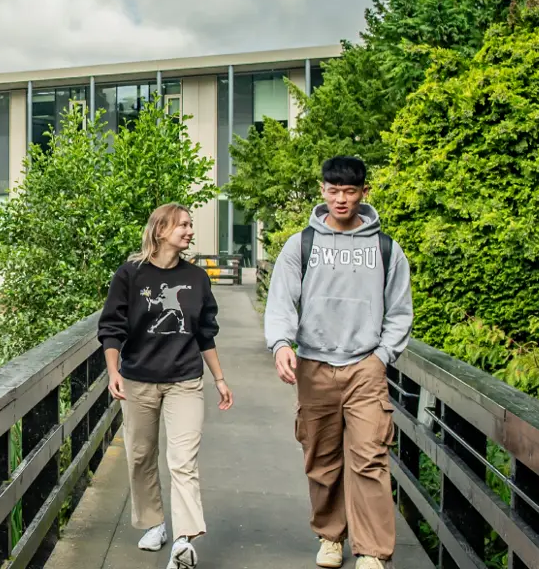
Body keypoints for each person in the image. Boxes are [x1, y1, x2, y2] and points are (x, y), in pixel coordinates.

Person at [265, 156, 413, 569]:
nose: (341, 199)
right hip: (314, 367)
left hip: (366, 367)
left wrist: (382, 357)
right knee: (322, 457)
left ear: (364, 192)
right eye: (333, 191)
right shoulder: (301, 244)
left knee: (369, 458)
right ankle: (331, 537)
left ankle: (371, 550)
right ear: (322, 190)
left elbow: (400, 310)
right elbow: (281, 301)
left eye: (349, 191)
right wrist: (281, 344)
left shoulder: (386, 248)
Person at [98, 203, 233, 569]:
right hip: (138, 380)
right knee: (141, 456)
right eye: (183, 225)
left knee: (182, 460)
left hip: (185, 380)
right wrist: (114, 372)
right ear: (160, 231)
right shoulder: (130, 275)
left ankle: (183, 540)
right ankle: (154, 522)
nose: (190, 231)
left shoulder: (197, 278)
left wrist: (219, 379)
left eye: (190, 225)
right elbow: (111, 328)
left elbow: (206, 333)